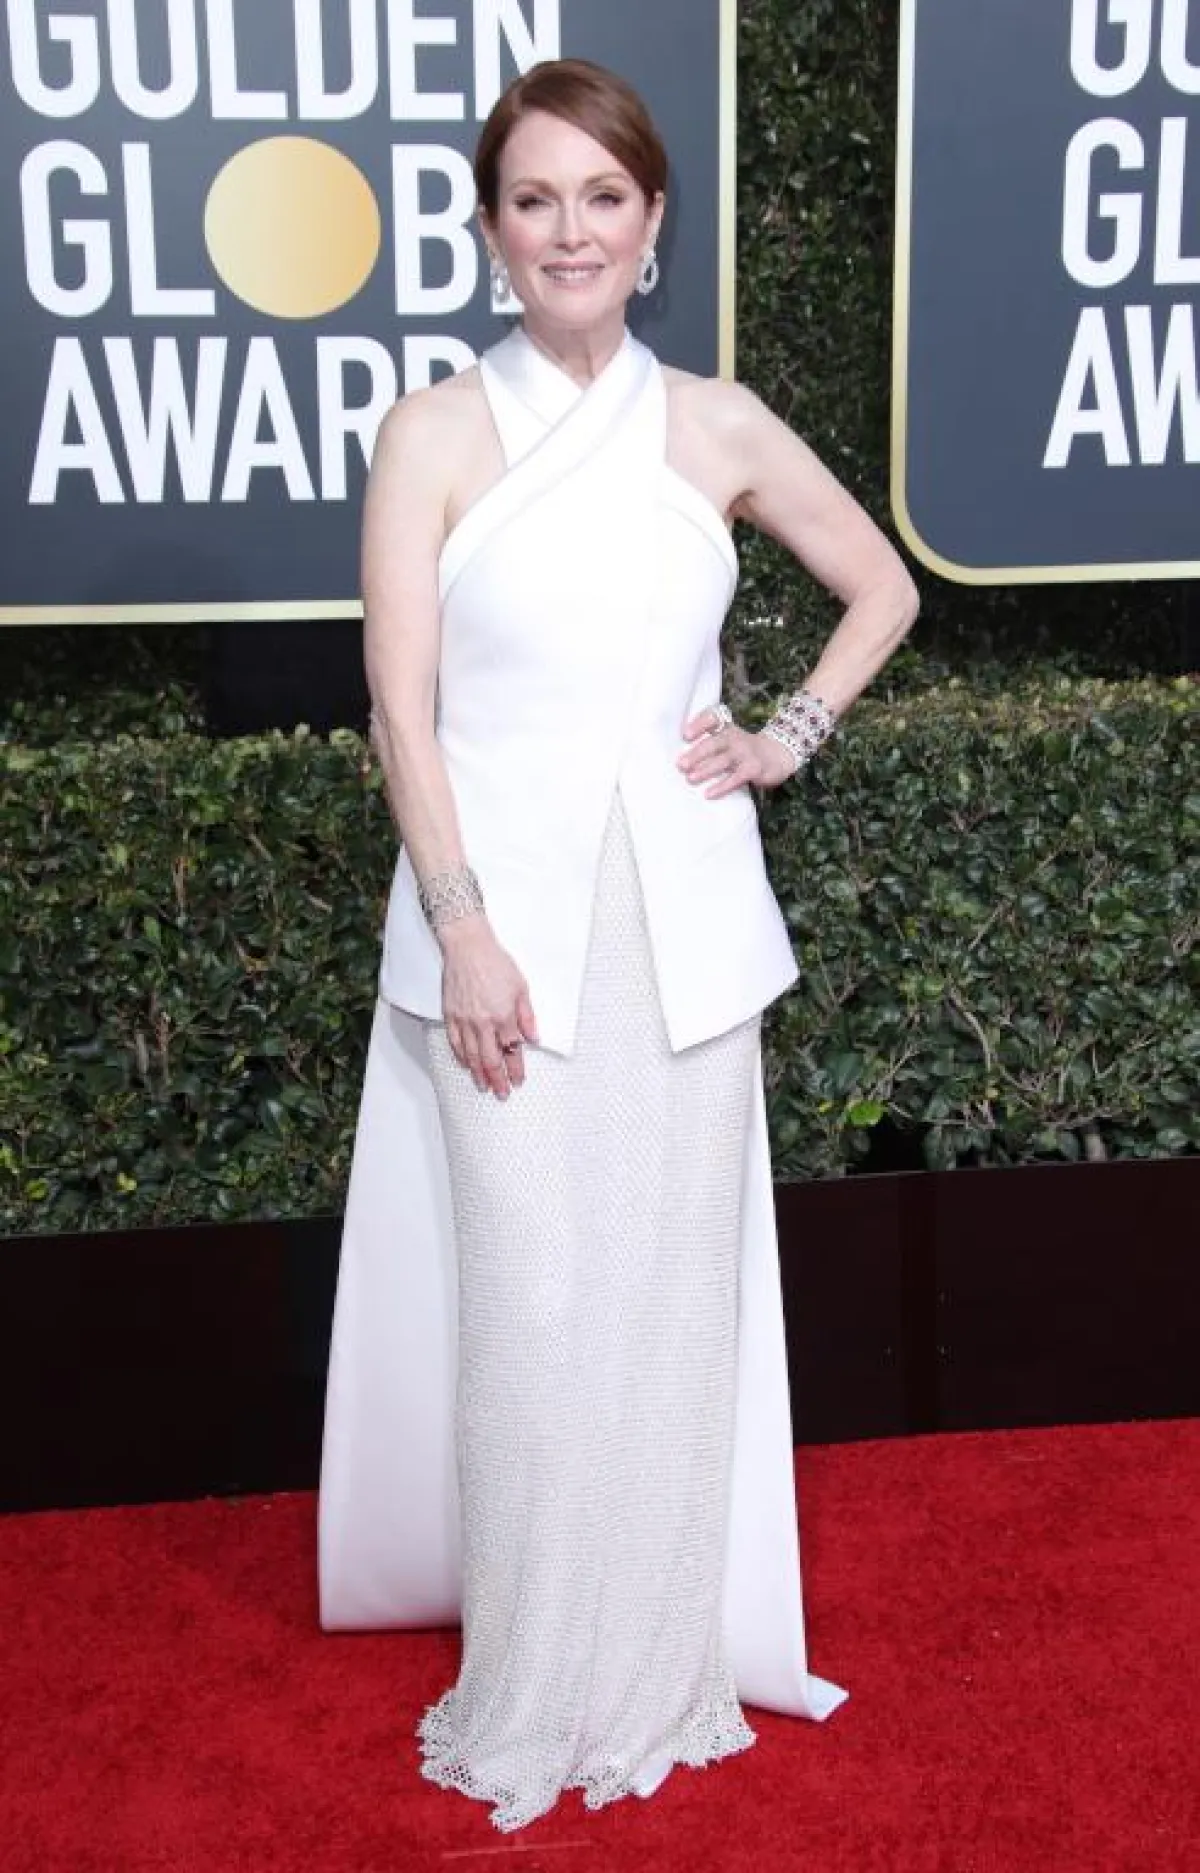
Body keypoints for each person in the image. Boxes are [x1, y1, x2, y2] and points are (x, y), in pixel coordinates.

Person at [317, 58, 919, 1834]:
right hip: (498, 943)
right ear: (492, 229)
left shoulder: (717, 426)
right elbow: (402, 709)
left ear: (653, 224)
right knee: (528, 1316)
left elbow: (883, 587)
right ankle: (533, 1679)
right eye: (535, 199)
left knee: (663, 1313)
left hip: (684, 935)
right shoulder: (433, 431)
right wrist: (463, 929)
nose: (569, 231)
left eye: (603, 197)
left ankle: (656, 1664)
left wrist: (786, 735)